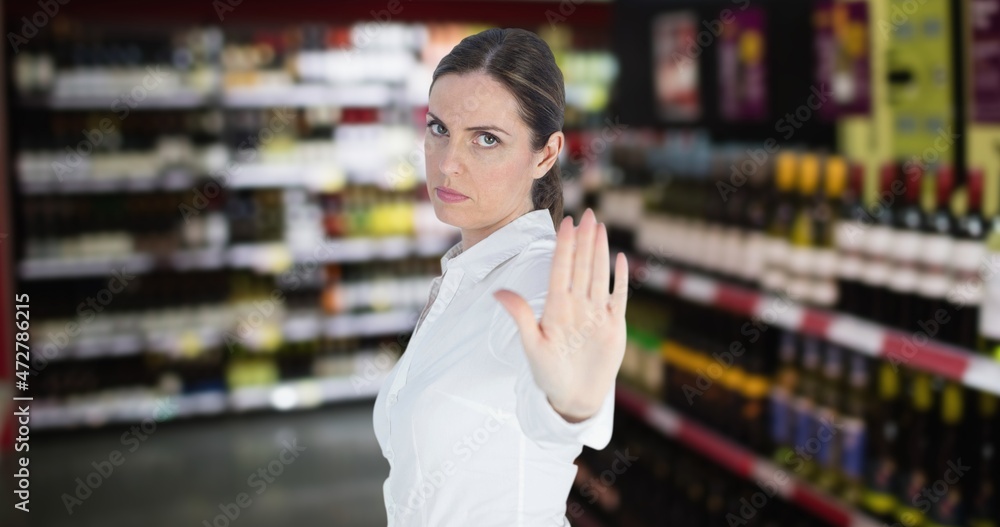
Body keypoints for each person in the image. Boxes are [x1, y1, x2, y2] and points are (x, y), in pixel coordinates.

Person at [372, 27, 629, 526]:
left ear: (546, 154)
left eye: (486, 139)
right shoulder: (464, 270)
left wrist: (570, 404)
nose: (448, 165)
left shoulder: (539, 277)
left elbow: (552, 415)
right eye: (439, 128)